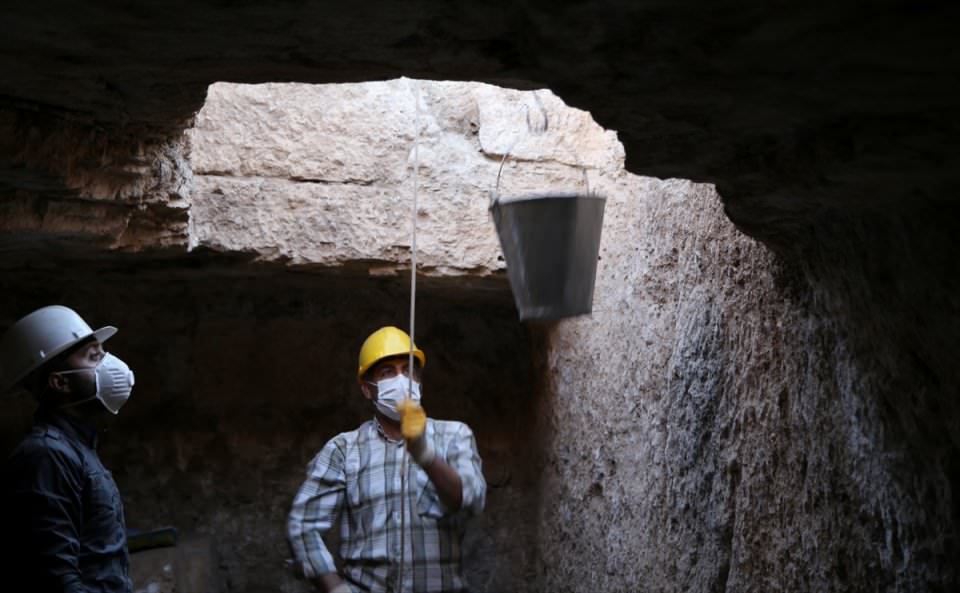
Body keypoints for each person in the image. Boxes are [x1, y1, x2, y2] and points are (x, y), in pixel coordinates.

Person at [288, 326, 486, 593]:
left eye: (408, 370)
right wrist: (336, 589)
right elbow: (303, 525)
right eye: (387, 372)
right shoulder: (343, 449)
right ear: (367, 389)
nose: (401, 380)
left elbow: (471, 499)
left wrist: (425, 455)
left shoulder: (454, 435)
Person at [0, 305, 136, 593]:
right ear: (60, 382)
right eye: (94, 357)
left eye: (104, 353)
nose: (110, 364)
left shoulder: (76, 448)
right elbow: (57, 579)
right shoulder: (46, 455)